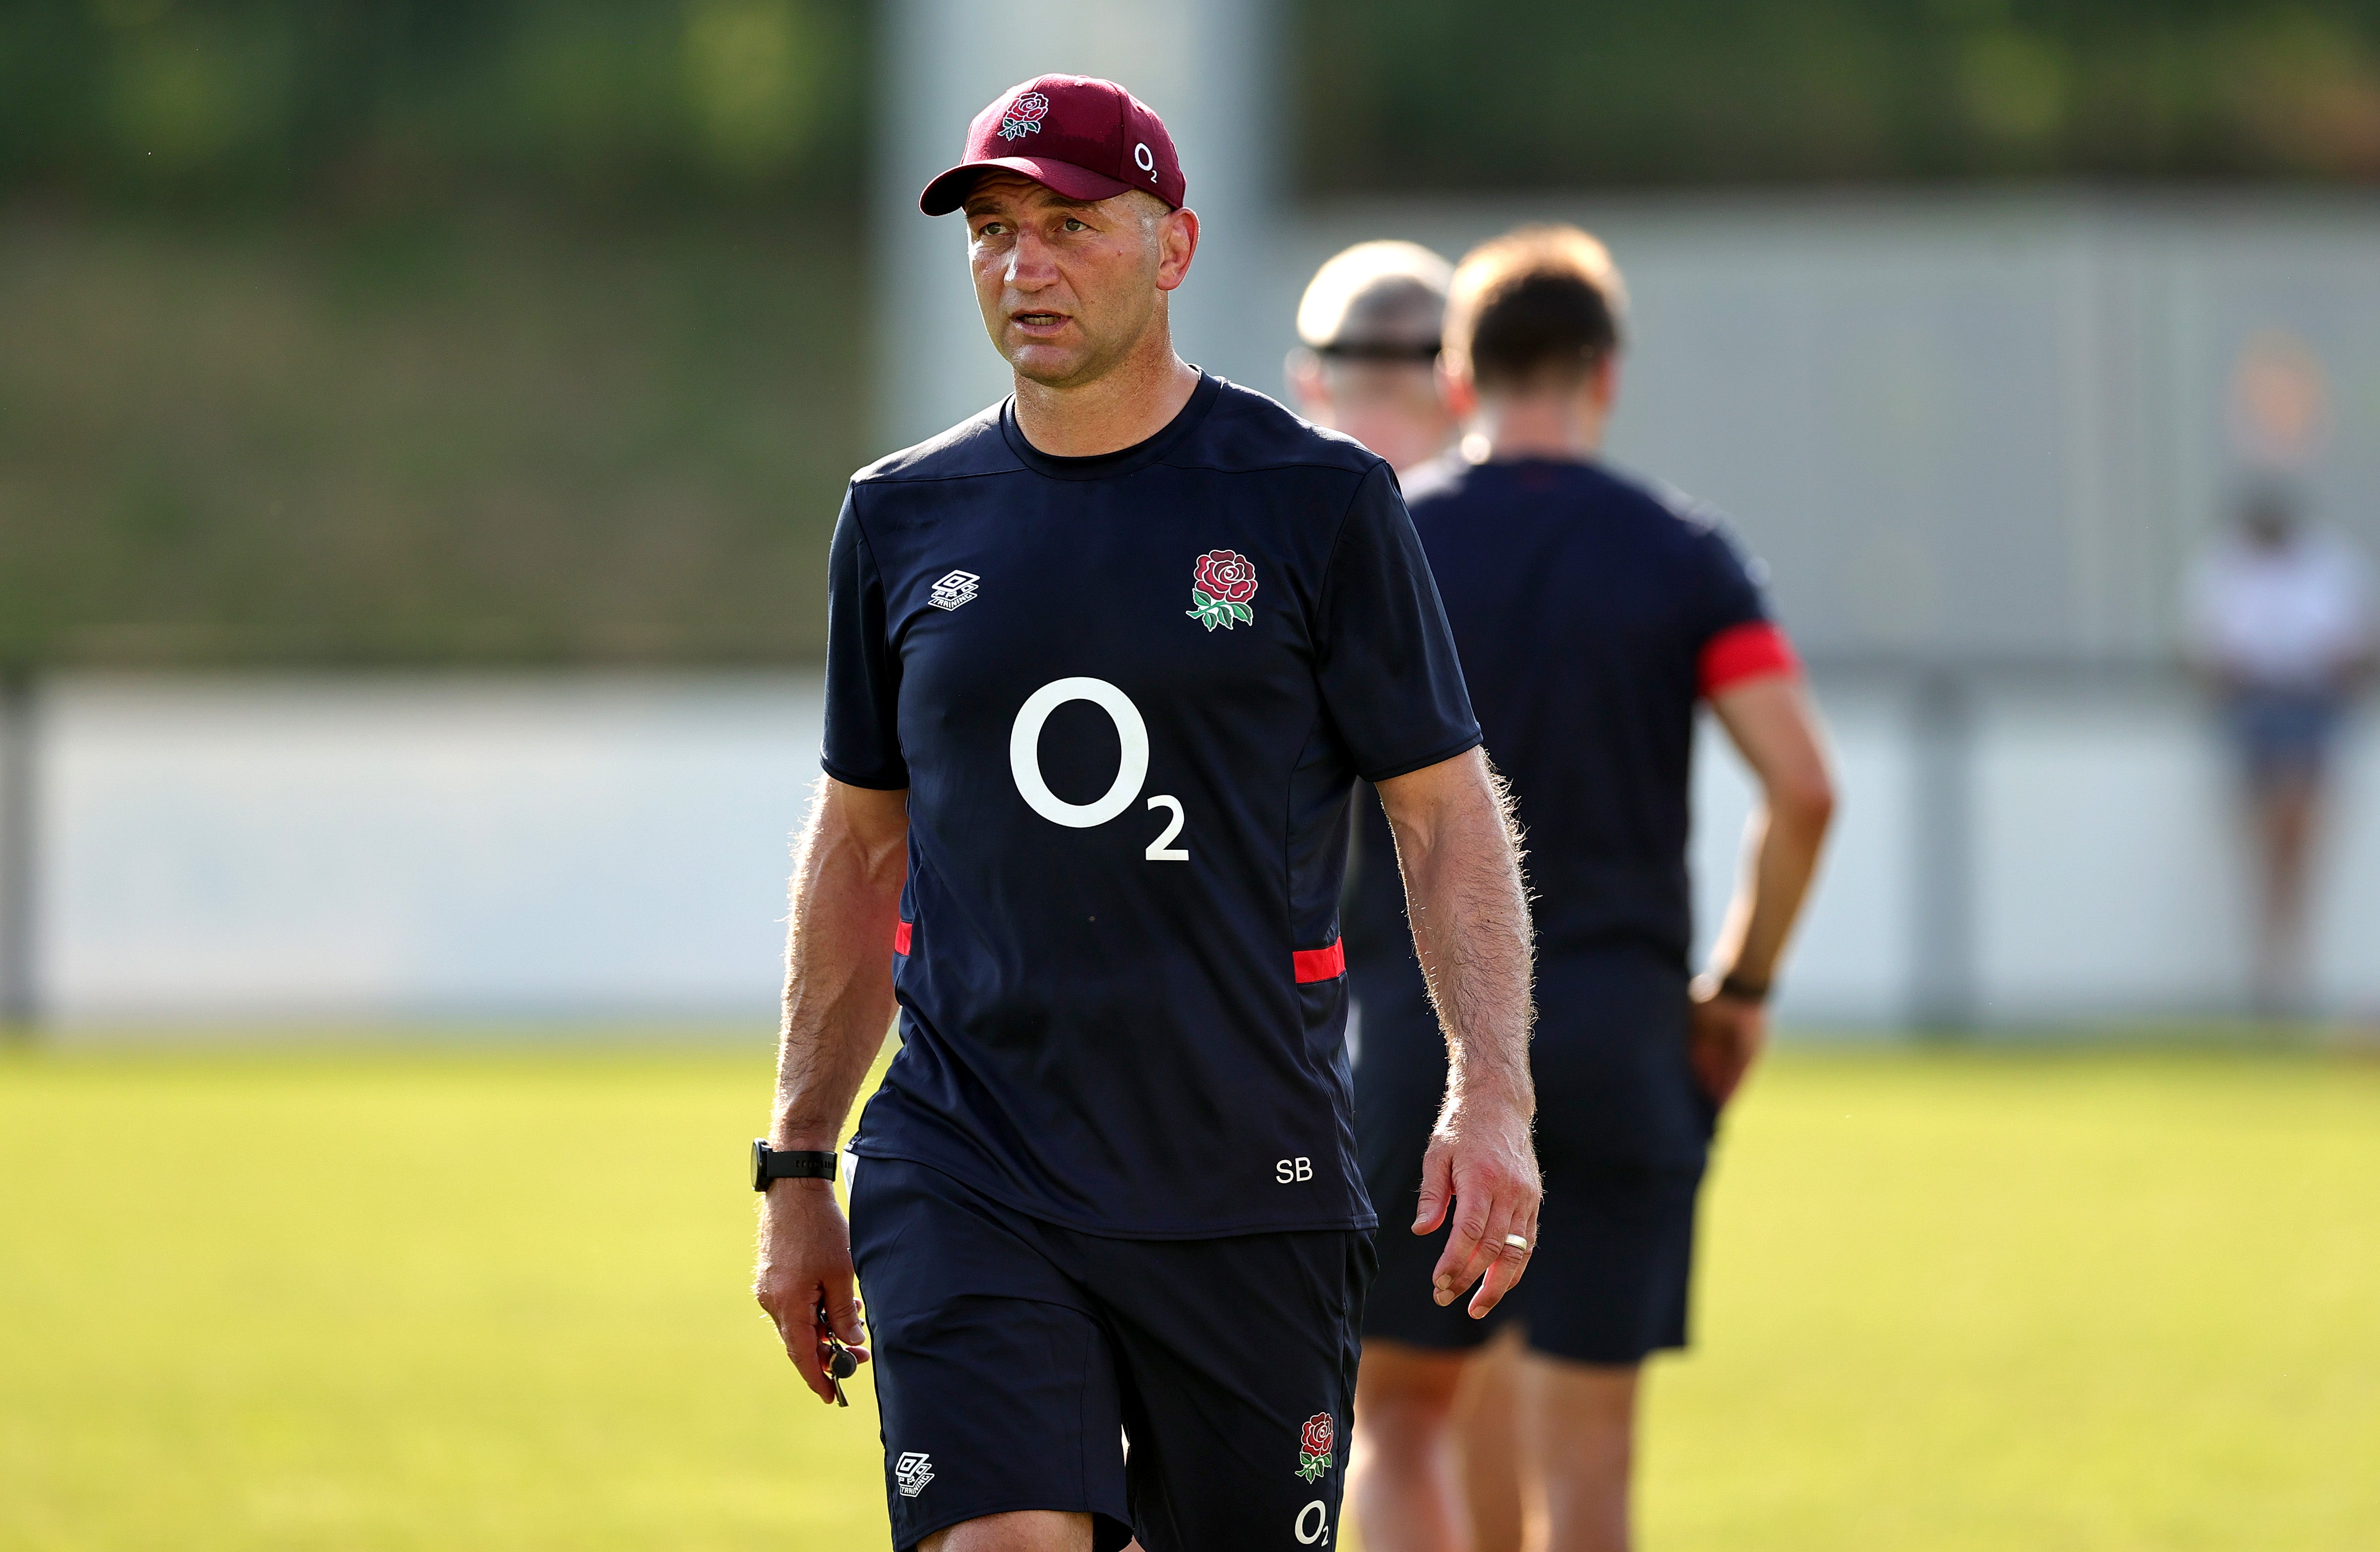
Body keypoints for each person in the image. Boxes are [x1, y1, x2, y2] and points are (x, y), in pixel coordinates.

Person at [750, 75, 1542, 1552]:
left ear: (1172, 249)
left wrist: (1491, 1087)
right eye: (993, 231)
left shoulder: (1319, 504)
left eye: (1067, 227)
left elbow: (1445, 816)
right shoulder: (901, 515)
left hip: (1247, 1175)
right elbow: (862, 843)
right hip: (967, 1154)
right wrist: (799, 1161)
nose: (1021, 266)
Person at [1343, 225, 1836, 1552]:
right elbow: (1803, 789)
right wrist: (1736, 987)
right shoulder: (1679, 553)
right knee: (1594, 1471)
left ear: (1456, 378)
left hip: (1417, 1043)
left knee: (1398, 1420)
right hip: (1622, 1036)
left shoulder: (1385, 544)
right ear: (1603, 376)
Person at [2186, 485, 2373, 1014]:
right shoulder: (2223, 565)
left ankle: (2286, 967)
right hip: (2255, 709)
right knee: (2269, 843)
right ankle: (2272, 969)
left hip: (2311, 707)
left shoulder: (2329, 562)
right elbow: (2208, 652)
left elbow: (2352, 646)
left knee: (2297, 836)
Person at [1286, 240, 1462, 474]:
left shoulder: (1258, 504)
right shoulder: (1501, 506)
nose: (1385, 437)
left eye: (1413, 406)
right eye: (1365, 393)